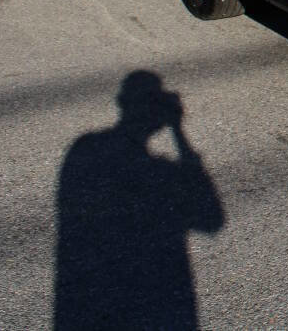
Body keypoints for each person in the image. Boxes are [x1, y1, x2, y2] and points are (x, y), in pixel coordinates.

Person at [54, 71, 224, 330]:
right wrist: (178, 131)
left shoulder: (85, 148)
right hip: (161, 299)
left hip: (88, 296)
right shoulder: (162, 173)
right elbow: (211, 218)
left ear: (122, 102)